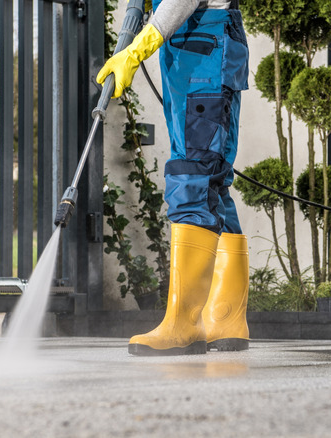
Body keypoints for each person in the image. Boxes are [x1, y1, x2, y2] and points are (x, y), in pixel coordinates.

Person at [97, 0, 250, 356]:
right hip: (200, 49)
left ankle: (184, 323)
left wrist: (138, 48)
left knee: (193, 175)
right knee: (213, 182)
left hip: (203, 53)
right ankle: (227, 319)